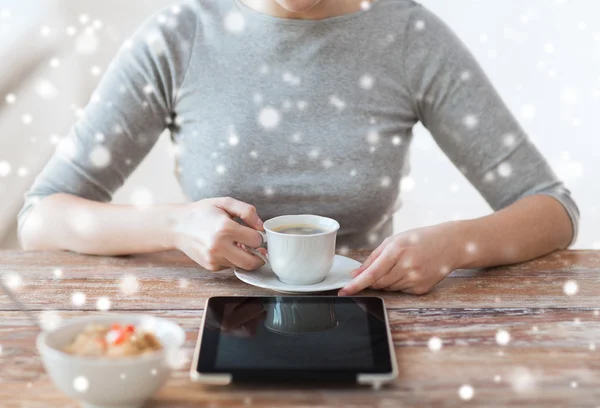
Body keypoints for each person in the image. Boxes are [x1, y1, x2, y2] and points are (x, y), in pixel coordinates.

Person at [18, 0, 579, 296]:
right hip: (212, 325)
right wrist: (173, 226)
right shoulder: (178, 37)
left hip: (366, 317)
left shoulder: (408, 36)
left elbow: (553, 208)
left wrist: (457, 243)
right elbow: (40, 218)